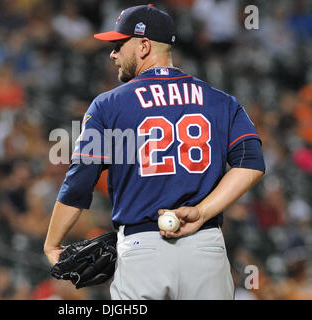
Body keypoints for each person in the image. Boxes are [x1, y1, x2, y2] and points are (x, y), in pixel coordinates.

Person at [44, 4, 265, 300]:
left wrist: (52, 245)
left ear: (144, 45)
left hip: (142, 249)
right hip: (206, 247)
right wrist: (201, 211)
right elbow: (251, 163)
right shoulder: (219, 100)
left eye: (119, 45)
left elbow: (79, 183)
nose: (113, 54)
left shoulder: (109, 105)